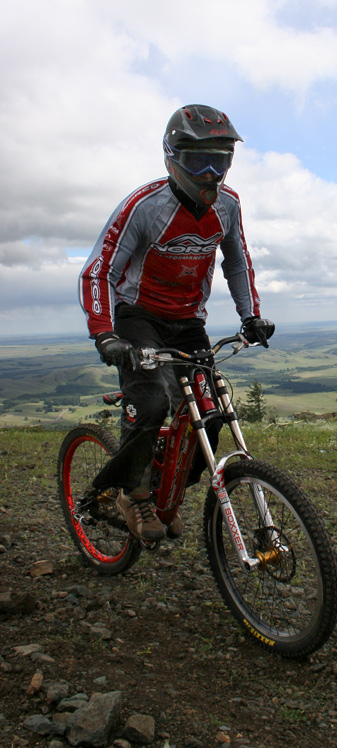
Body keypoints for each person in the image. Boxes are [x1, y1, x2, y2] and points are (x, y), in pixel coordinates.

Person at [79, 104, 274, 543]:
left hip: (188, 321)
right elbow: (99, 271)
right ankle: (132, 492)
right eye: (197, 160)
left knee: (212, 414)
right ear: (171, 159)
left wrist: (251, 316)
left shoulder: (228, 205)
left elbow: (237, 262)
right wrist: (104, 333)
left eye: (221, 160)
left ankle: (167, 491)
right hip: (138, 316)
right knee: (151, 405)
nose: (210, 173)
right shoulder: (144, 207)